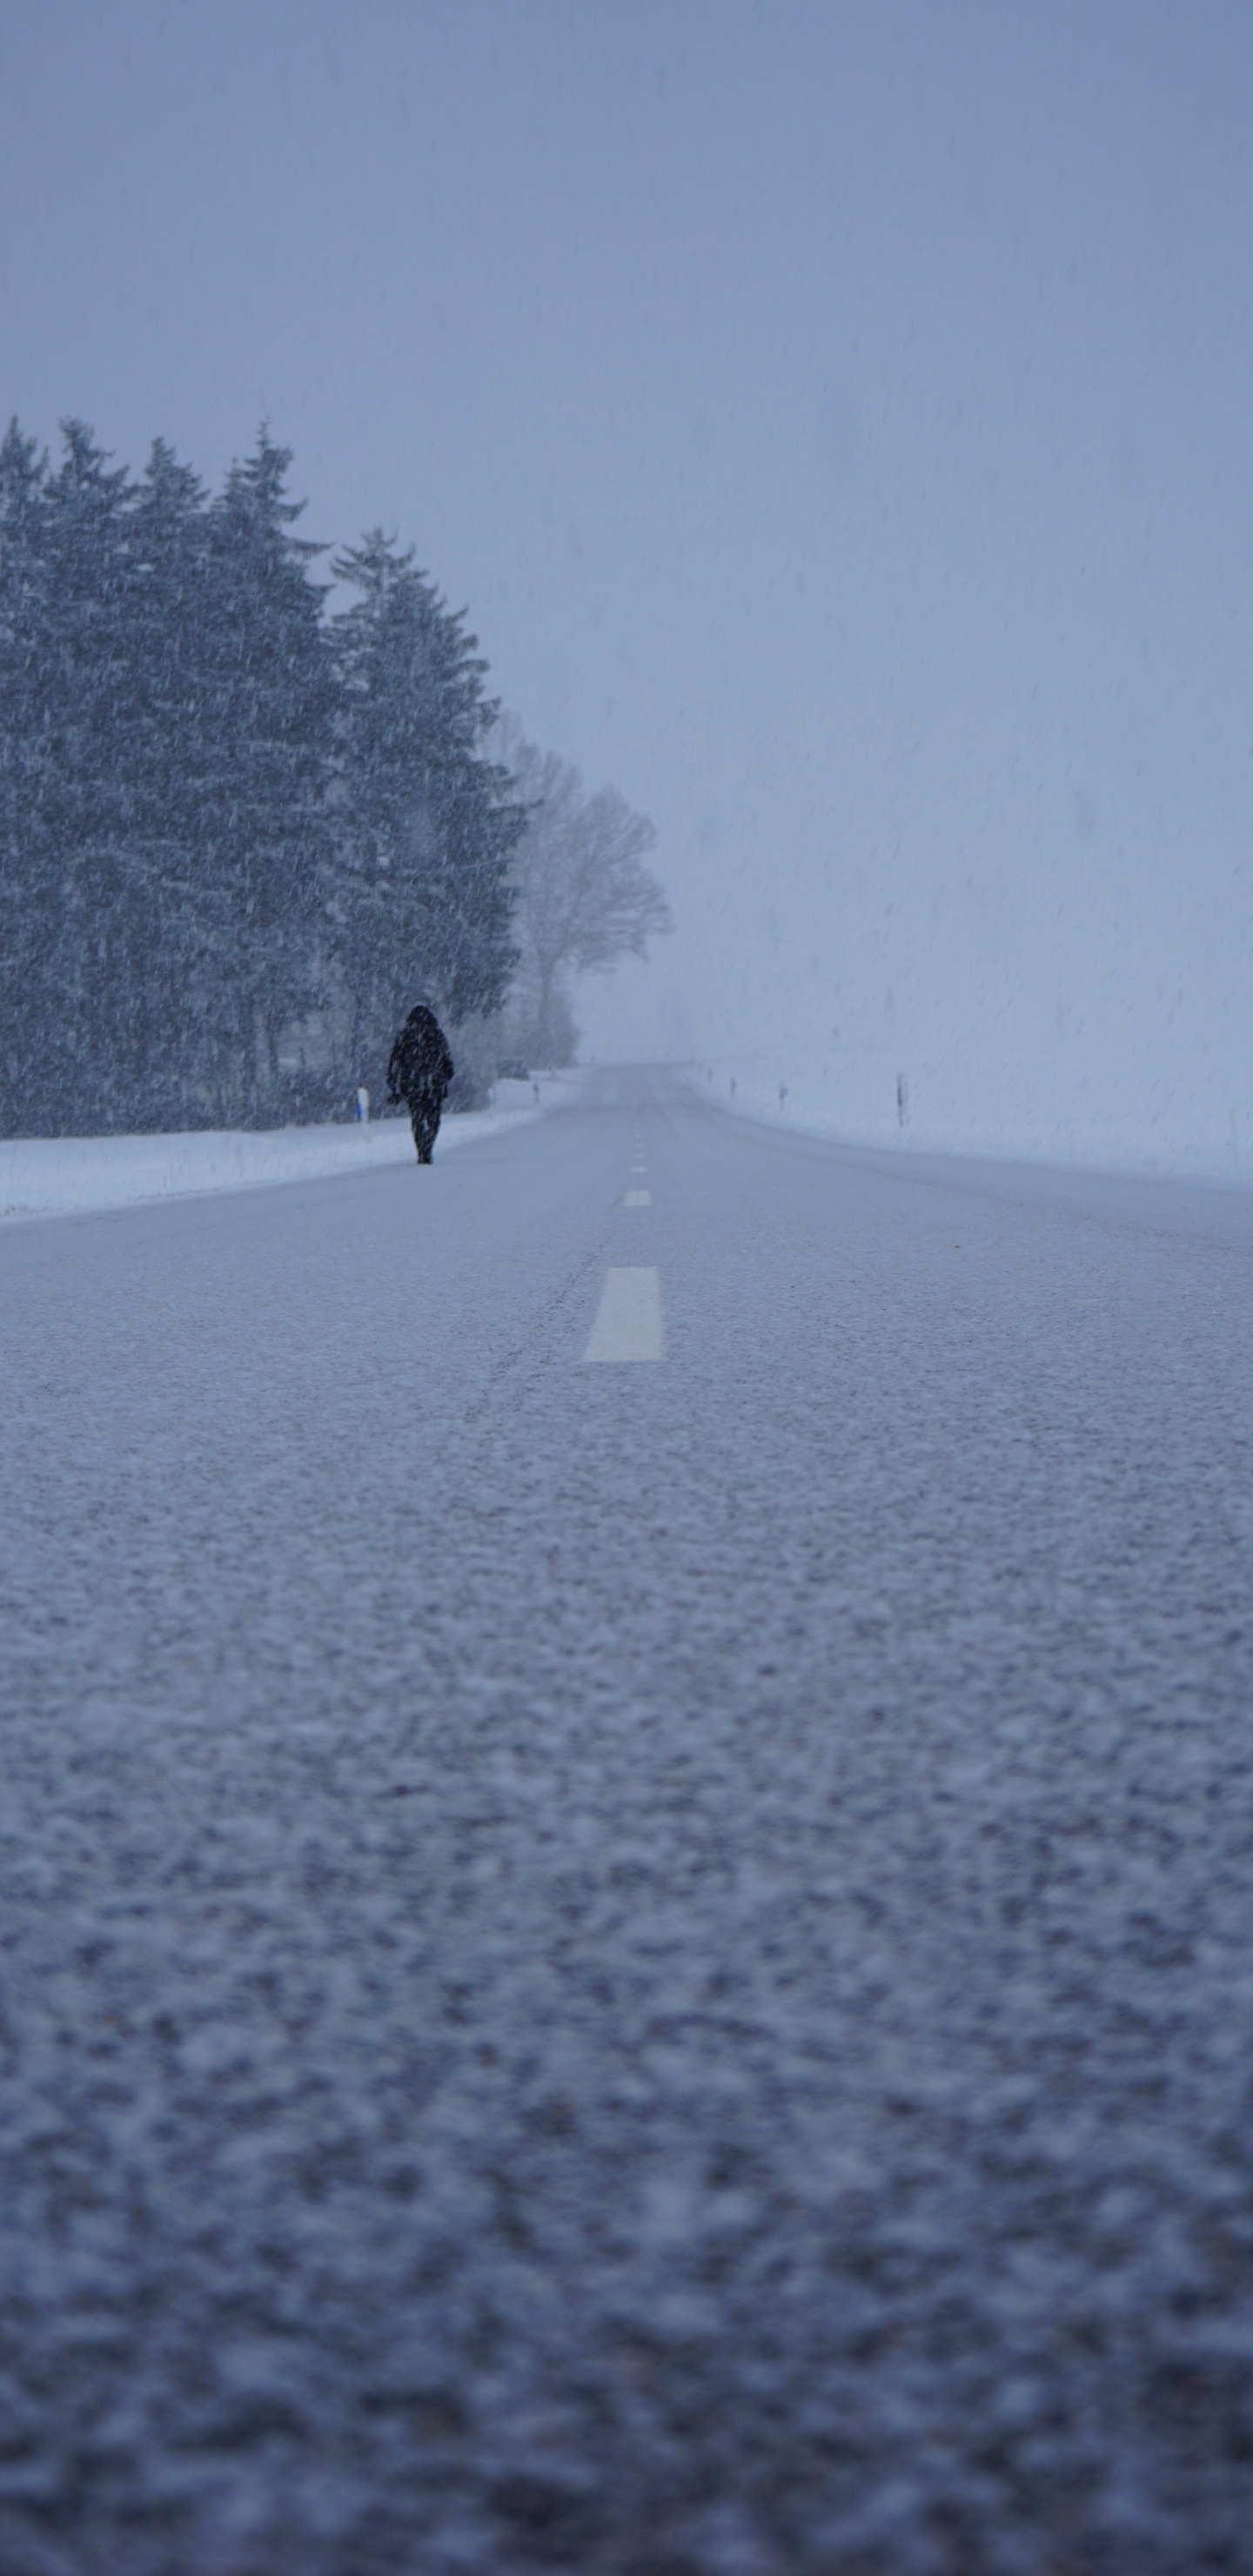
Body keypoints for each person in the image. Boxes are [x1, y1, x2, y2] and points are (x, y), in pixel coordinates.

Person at [386, 1002, 455, 1164]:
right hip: (434, 1084)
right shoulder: (437, 1035)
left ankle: (421, 1148)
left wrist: (393, 1082)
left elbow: (394, 1061)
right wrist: (447, 1074)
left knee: (417, 1118)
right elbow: (447, 1059)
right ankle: (428, 1145)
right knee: (434, 1118)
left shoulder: (404, 1036)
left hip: (411, 1083)